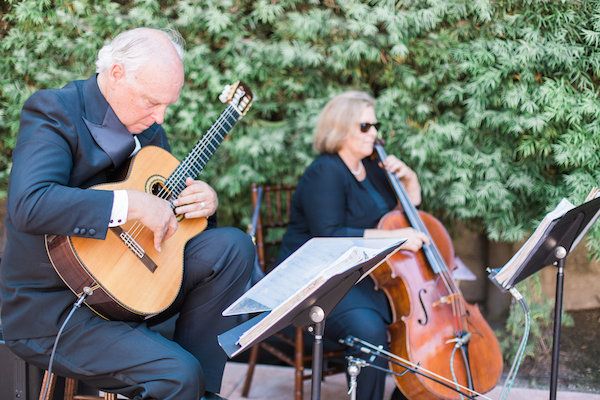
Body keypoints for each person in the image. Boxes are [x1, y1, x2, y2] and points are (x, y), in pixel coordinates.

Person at [0, 28, 254, 400]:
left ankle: (201, 391)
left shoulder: (148, 131)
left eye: (167, 105)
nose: (160, 118)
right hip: (53, 307)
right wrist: (132, 204)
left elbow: (168, 220)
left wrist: (200, 205)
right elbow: (30, 204)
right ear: (116, 74)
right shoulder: (54, 111)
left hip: (130, 288)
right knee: (177, 375)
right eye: (152, 102)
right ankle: (187, 385)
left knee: (232, 246)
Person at [277, 91, 429, 400]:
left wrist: (410, 181)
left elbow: (401, 217)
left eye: (375, 125)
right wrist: (394, 240)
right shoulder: (325, 171)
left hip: (364, 277)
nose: (374, 132)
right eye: (365, 126)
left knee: (421, 326)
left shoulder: (373, 169)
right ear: (341, 128)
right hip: (321, 282)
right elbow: (329, 235)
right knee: (369, 331)